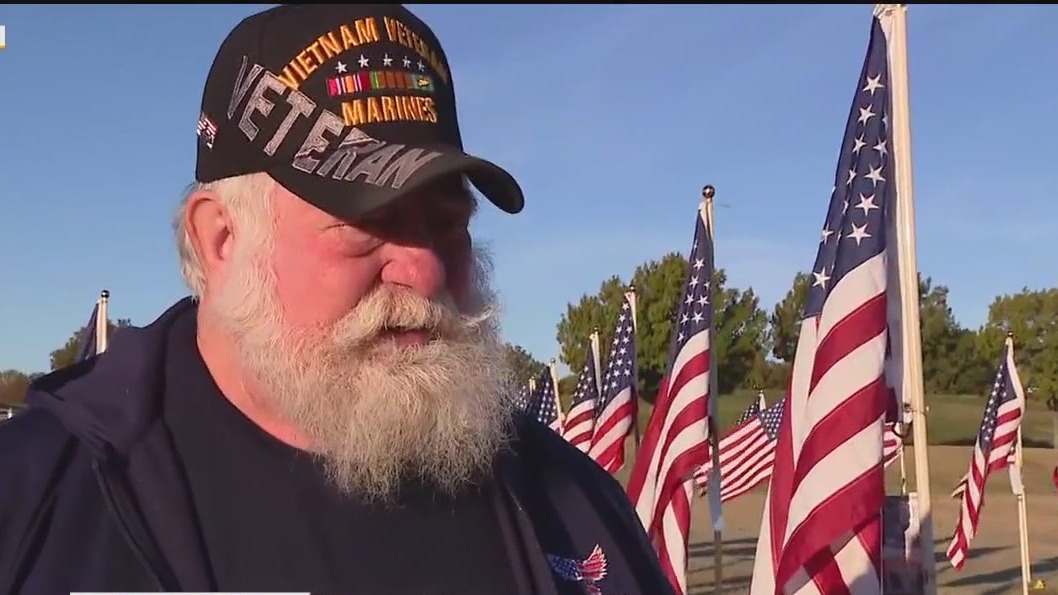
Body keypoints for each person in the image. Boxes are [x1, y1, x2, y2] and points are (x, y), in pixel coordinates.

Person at [0, 4, 672, 595]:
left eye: (448, 223)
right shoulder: (39, 500)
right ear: (222, 239)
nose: (427, 268)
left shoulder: (573, 506)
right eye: (368, 223)